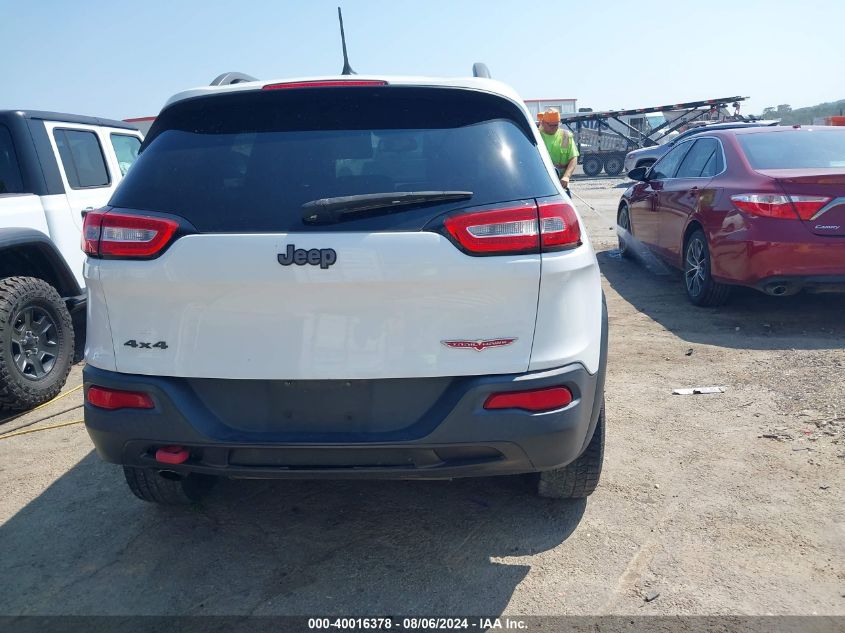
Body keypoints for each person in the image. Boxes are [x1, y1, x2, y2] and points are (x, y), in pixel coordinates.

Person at [538, 109, 579, 192]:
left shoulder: (566, 136)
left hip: (561, 185)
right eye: (550, 125)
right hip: (542, 184)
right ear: (543, 122)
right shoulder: (536, 136)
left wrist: (566, 176)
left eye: (556, 125)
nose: (553, 128)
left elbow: (573, 158)